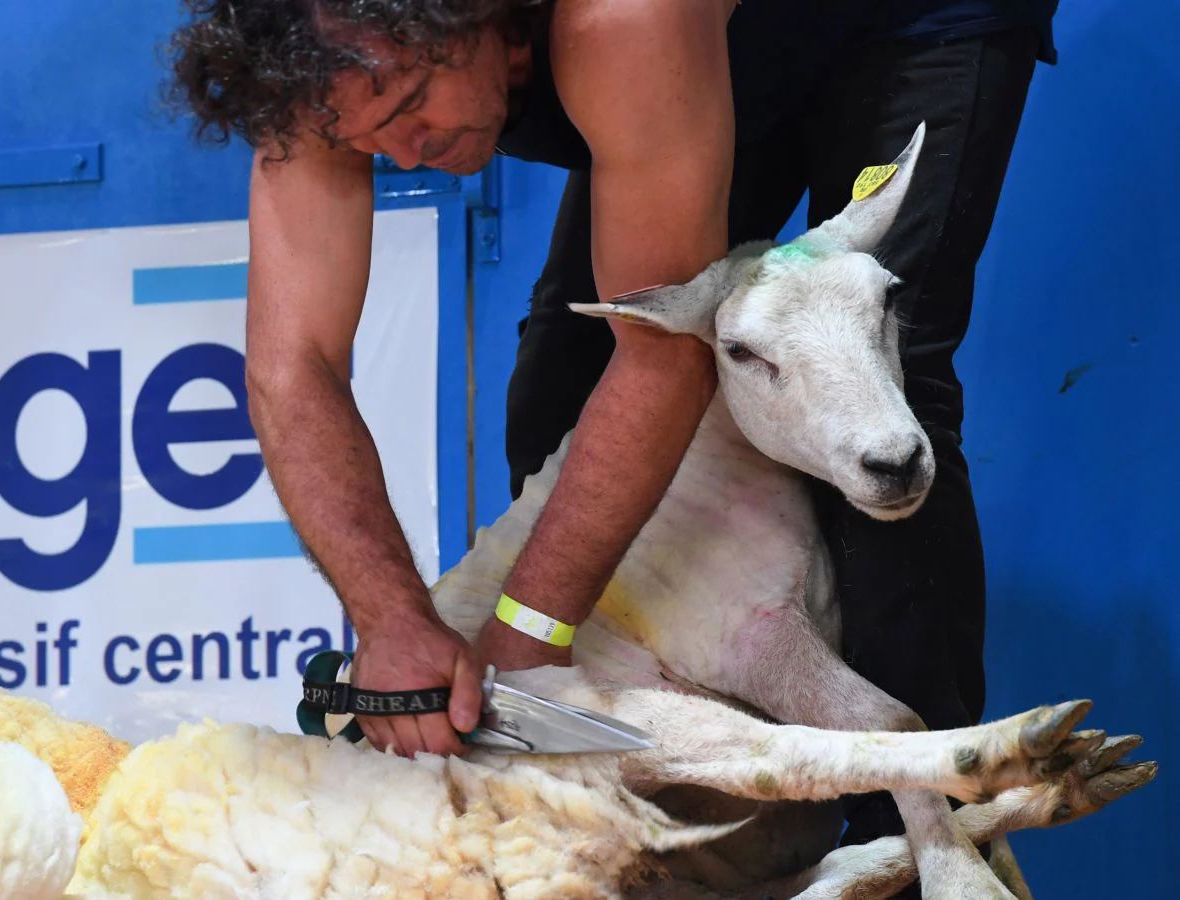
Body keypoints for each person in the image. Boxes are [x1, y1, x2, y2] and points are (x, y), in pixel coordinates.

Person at [168, 0, 1058, 876]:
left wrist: (522, 642)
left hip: (902, 24)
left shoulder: (618, 22)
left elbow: (661, 363)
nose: (405, 154)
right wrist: (389, 620)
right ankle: (632, 827)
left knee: (880, 410)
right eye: (369, 143)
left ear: (473, 21)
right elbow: (293, 369)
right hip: (698, 53)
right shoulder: (321, 68)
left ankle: (921, 837)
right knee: (558, 391)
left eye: (410, 109)